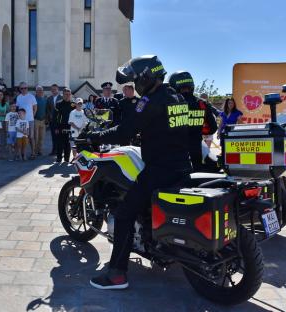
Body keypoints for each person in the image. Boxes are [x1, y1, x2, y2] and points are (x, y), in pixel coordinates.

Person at [86, 55, 193, 290]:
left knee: (124, 214)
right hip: (182, 167)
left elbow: (125, 131)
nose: (135, 86)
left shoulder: (149, 100)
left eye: (136, 81)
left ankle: (116, 274)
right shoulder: (176, 97)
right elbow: (163, 128)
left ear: (145, 78)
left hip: (159, 170)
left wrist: (95, 136)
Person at [168, 71, 218, 172]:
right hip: (196, 148)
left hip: (175, 150)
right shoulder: (201, 103)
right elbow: (212, 128)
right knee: (196, 176)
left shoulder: (170, 104)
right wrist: (199, 130)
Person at [16, 82, 37, 158]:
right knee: (22, 137)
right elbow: (17, 109)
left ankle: (33, 153)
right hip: (21, 121)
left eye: (25, 88)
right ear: (20, 89)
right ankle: (22, 153)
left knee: (31, 137)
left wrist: (32, 117)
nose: (24, 89)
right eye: (22, 88)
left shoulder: (31, 96)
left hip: (30, 120)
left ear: (27, 88)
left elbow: (35, 108)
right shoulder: (18, 97)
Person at [54, 88, 74, 163]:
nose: (67, 96)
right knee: (59, 143)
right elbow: (55, 116)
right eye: (66, 94)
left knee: (68, 143)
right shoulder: (58, 104)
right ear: (63, 95)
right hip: (60, 126)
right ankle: (59, 158)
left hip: (70, 126)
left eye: (69, 94)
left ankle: (66, 159)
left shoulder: (73, 104)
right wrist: (56, 127)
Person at [46, 84, 60, 156]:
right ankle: (54, 150)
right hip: (52, 121)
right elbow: (48, 109)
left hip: (60, 121)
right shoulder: (49, 98)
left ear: (58, 90)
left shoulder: (62, 97)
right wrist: (49, 117)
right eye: (52, 89)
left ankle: (60, 151)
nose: (53, 91)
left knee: (60, 136)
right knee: (53, 136)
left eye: (55, 89)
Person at [34, 85, 48, 156]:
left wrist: (46, 119)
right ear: (36, 91)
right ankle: (35, 151)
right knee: (35, 137)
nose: (40, 91)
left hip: (43, 120)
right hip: (36, 120)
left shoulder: (45, 99)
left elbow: (46, 110)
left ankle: (40, 150)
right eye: (38, 90)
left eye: (41, 90)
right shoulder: (33, 99)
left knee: (41, 137)